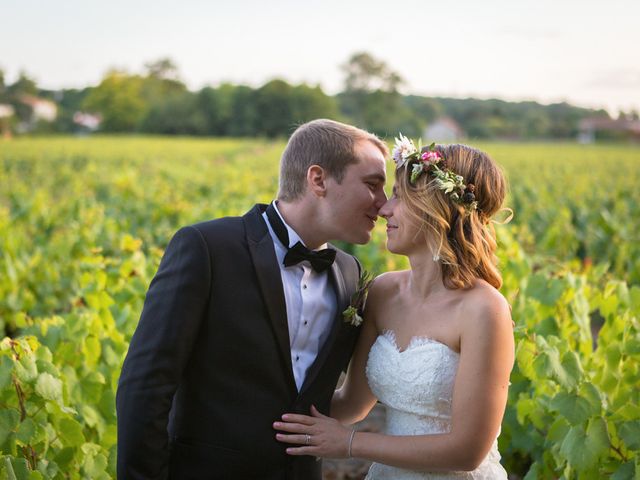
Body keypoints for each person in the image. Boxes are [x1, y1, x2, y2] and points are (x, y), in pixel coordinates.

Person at [116, 119, 389, 480]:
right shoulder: (207, 248)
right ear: (318, 179)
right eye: (372, 185)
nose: (384, 204)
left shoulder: (350, 274)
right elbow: (146, 385)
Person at [274, 136, 514, 479]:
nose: (384, 209)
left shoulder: (483, 309)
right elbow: (352, 404)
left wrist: (351, 444)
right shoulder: (383, 292)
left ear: (438, 208)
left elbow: (467, 451)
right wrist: (262, 402)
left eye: (401, 197)